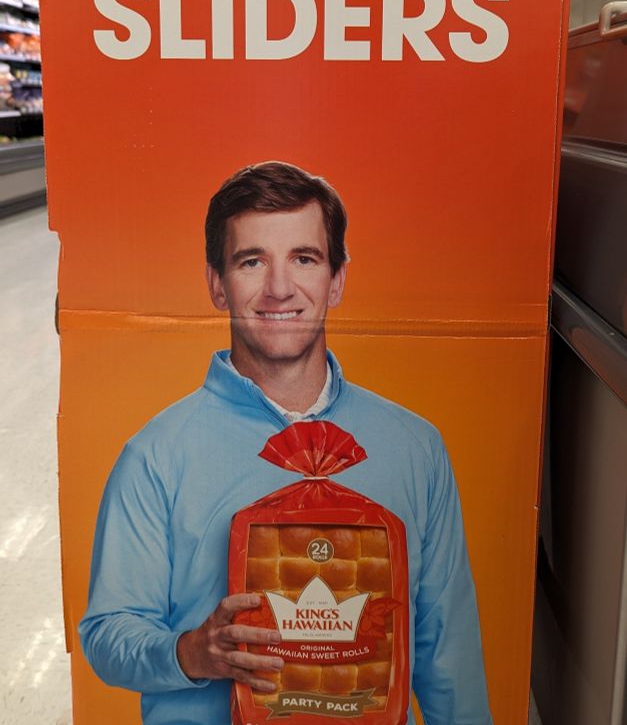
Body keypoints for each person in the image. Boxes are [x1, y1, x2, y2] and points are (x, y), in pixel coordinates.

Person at [80, 161, 493, 725]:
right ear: (216, 285)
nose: (279, 288)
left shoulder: (415, 448)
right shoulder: (155, 458)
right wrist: (192, 652)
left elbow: (448, 651)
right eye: (252, 261)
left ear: (337, 280)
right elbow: (106, 635)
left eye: (305, 258)